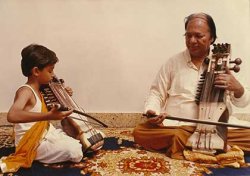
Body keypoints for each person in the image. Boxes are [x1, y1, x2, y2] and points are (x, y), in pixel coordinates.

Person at [133, 13, 250, 160]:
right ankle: (213, 146)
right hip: (178, 126)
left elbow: (243, 101)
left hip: (216, 128)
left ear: (212, 38)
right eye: (188, 36)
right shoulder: (173, 63)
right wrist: (152, 111)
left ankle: (189, 145)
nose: (192, 41)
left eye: (198, 36)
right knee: (139, 132)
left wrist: (237, 88)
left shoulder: (223, 63)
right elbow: (156, 93)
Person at [0, 44, 99, 173]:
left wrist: (64, 94)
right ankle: (33, 154)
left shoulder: (42, 89)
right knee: (75, 151)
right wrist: (49, 116)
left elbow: (45, 108)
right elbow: (12, 115)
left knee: (70, 132)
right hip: (31, 141)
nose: (53, 75)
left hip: (44, 132)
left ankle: (68, 140)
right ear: (36, 71)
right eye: (50, 70)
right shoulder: (25, 91)